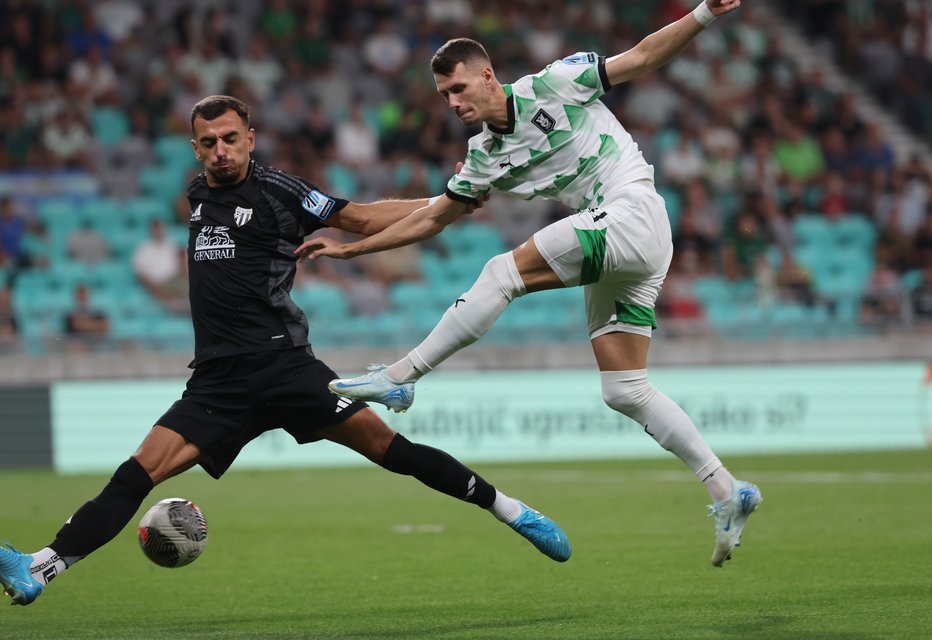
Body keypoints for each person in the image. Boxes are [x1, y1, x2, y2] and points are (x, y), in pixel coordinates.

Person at [0, 95, 570, 607]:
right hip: (217, 383)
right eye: (208, 142)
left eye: (230, 138)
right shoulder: (197, 194)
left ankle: (512, 510)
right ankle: (40, 568)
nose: (221, 151)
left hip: (285, 366)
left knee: (392, 450)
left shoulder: (279, 191)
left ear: (250, 137)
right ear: (194, 148)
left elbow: (361, 218)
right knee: (134, 474)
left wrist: (450, 199)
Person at [300, 0, 761, 568]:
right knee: (625, 389)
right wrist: (353, 249)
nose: (454, 102)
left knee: (502, 272)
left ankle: (400, 377)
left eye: (461, 88)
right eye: (445, 95)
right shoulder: (484, 157)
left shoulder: (556, 83)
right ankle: (726, 490)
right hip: (624, 246)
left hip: (632, 211)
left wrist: (705, 13)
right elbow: (431, 217)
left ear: (489, 75)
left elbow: (641, 57)